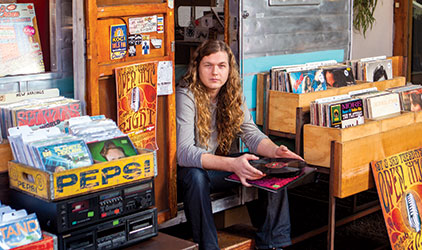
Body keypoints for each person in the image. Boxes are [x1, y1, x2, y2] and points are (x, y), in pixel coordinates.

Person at [176, 39, 303, 250]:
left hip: (218, 168)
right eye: (208, 65)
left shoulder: (231, 93)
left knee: (271, 165)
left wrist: (276, 151)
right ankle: (209, 247)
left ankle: (272, 244)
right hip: (192, 172)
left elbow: (250, 133)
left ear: (229, 69)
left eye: (221, 66)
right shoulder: (186, 95)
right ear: (197, 67)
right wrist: (232, 165)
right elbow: (184, 153)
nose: (215, 72)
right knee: (194, 177)